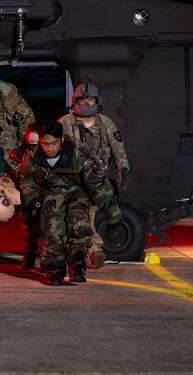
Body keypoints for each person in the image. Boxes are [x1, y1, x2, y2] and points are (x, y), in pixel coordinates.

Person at [18, 121, 122, 286]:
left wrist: (113, 213)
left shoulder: (77, 156)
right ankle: (54, 268)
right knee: (50, 226)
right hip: (50, 194)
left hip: (76, 192)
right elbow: (26, 179)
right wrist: (32, 198)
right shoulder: (32, 158)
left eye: (54, 143)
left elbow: (98, 184)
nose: (49, 148)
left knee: (78, 222)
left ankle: (77, 263)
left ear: (62, 140)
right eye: (45, 144)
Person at [58, 80, 130, 268]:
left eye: (90, 99)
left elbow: (118, 149)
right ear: (74, 101)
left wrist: (123, 169)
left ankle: (91, 250)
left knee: (88, 214)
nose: (85, 103)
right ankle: (85, 251)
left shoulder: (105, 123)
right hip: (72, 179)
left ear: (97, 101)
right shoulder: (65, 123)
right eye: (81, 99)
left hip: (98, 179)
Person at [6, 122, 43, 270]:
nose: (33, 146)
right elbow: (11, 164)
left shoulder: (49, 146)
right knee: (30, 225)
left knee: (49, 227)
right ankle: (31, 254)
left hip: (46, 190)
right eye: (31, 143)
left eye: (36, 143)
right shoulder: (21, 150)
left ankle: (49, 258)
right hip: (27, 190)